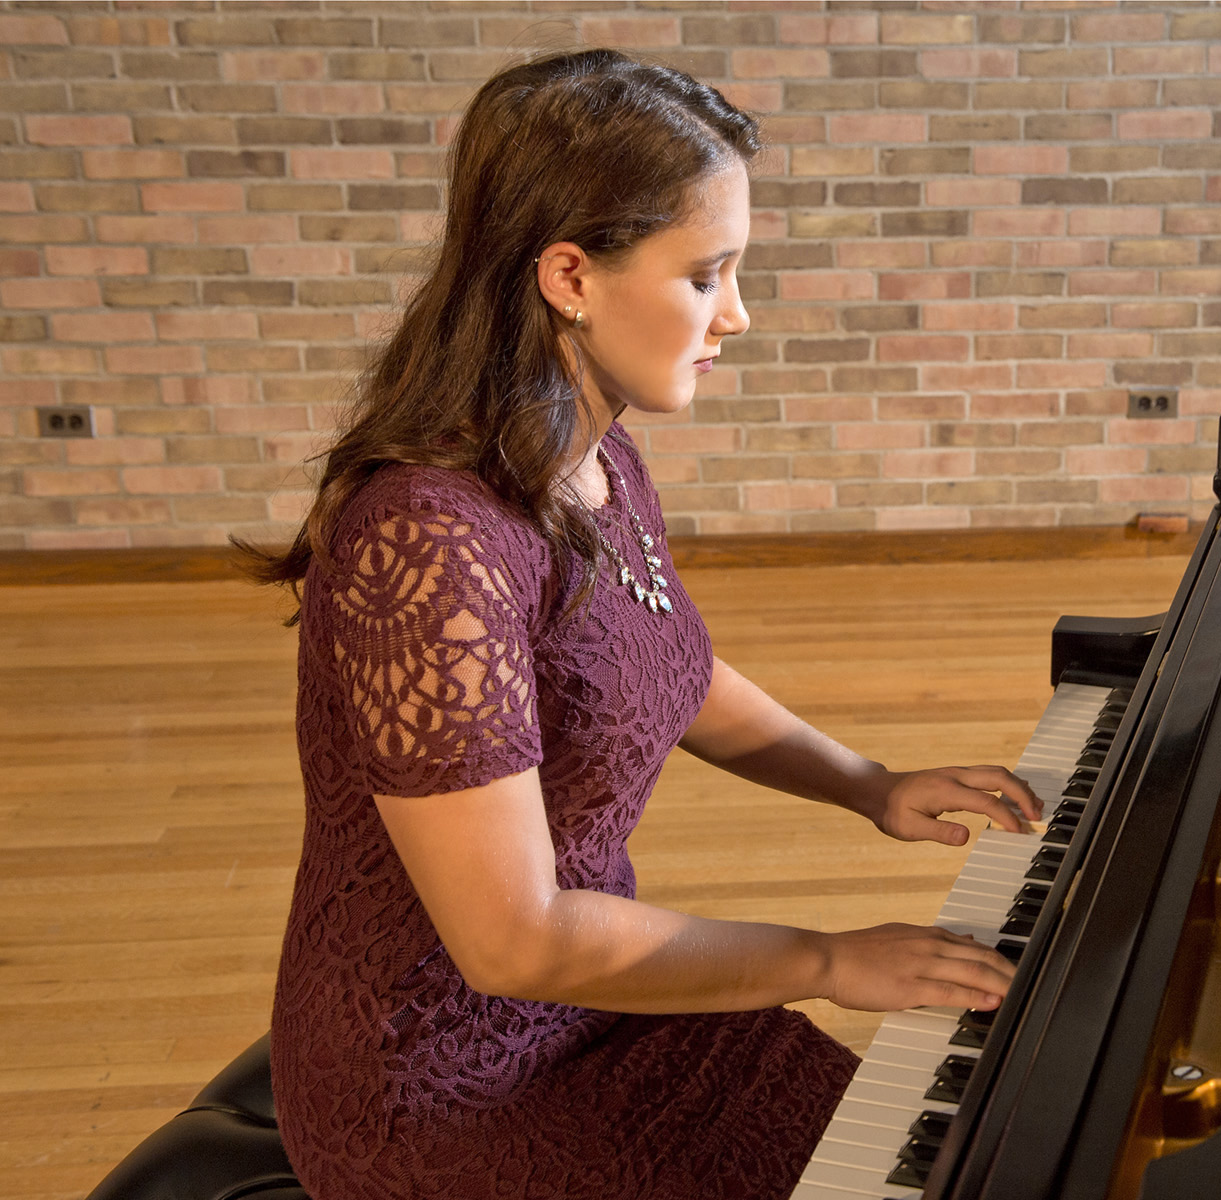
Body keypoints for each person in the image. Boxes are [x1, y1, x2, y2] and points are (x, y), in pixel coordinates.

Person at [241, 48, 1041, 1200]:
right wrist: (820, 960)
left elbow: (661, 663)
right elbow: (511, 941)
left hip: (600, 991)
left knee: (929, 1171)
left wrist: (869, 783)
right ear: (570, 274)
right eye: (707, 274)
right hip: (439, 1087)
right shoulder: (426, 543)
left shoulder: (593, 450)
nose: (738, 314)